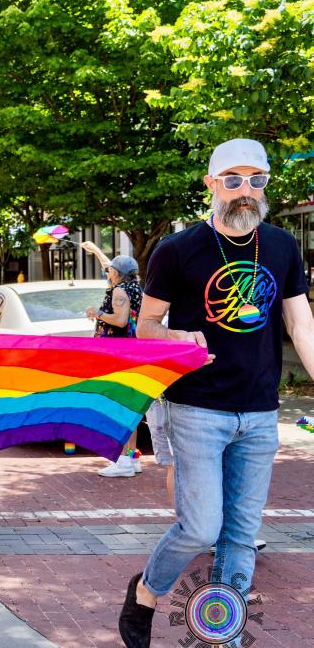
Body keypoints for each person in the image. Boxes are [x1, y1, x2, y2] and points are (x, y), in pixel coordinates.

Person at [118, 139, 314, 648]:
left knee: (242, 536)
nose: (245, 191)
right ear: (211, 185)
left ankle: (220, 636)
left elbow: (300, 322)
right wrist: (176, 337)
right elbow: (146, 327)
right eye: (233, 179)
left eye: (257, 180)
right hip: (197, 406)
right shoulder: (177, 250)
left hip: (261, 410)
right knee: (202, 528)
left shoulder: (281, 245)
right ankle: (146, 590)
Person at [83, 252, 145, 478]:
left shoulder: (119, 291)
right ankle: (132, 459)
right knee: (130, 406)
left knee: (117, 406)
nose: (107, 273)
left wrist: (97, 313)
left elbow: (119, 320)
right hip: (132, 351)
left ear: (117, 274)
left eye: (110, 270)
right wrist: (96, 251)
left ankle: (122, 461)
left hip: (117, 353)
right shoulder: (136, 289)